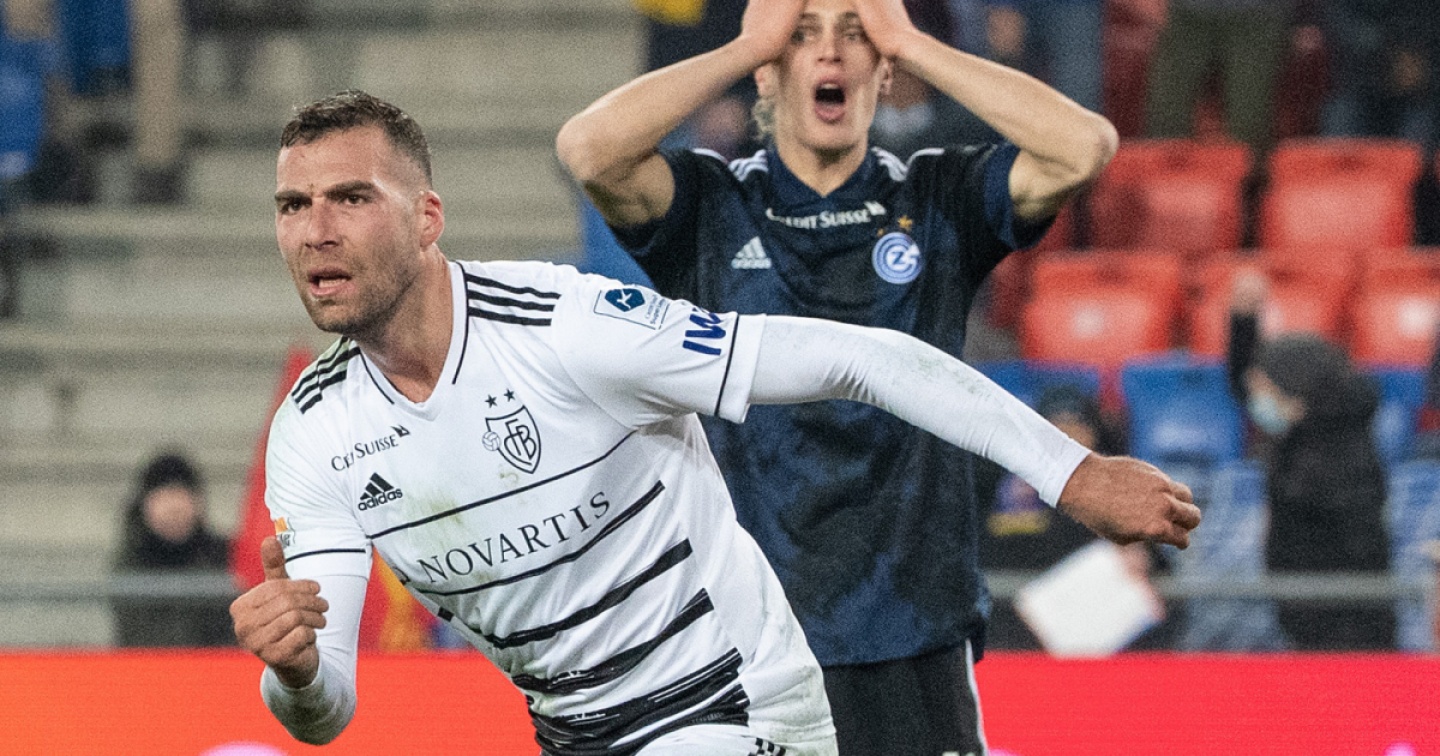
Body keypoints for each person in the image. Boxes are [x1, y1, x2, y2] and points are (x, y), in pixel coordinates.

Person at [232, 90, 1198, 754]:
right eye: (292, 205)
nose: (316, 229)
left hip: (738, 709)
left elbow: (860, 357)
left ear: (427, 217)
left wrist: (1070, 470)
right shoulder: (314, 432)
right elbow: (325, 711)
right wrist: (297, 671)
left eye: (350, 198)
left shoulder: (566, 328)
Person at [556, 0, 1116, 751]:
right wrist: (744, 48)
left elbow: (1084, 147)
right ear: (768, 73)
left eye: (854, 34)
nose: (830, 52)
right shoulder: (712, 206)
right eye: (803, 35)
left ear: (881, 72)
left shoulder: (937, 197)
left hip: (914, 629)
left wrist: (910, 42)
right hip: (749, 639)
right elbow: (588, 149)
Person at [1226, 270, 1393, 650]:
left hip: (1347, 631)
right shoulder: (1304, 430)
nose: (1258, 400)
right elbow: (1245, 385)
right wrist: (1244, 322)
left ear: (1297, 397)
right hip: (1299, 620)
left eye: (1266, 389)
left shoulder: (1341, 460)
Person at [112, 451, 234, 647]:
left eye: (182, 495)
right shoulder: (130, 564)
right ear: (144, 504)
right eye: (164, 496)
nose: (174, 507)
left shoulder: (224, 558)